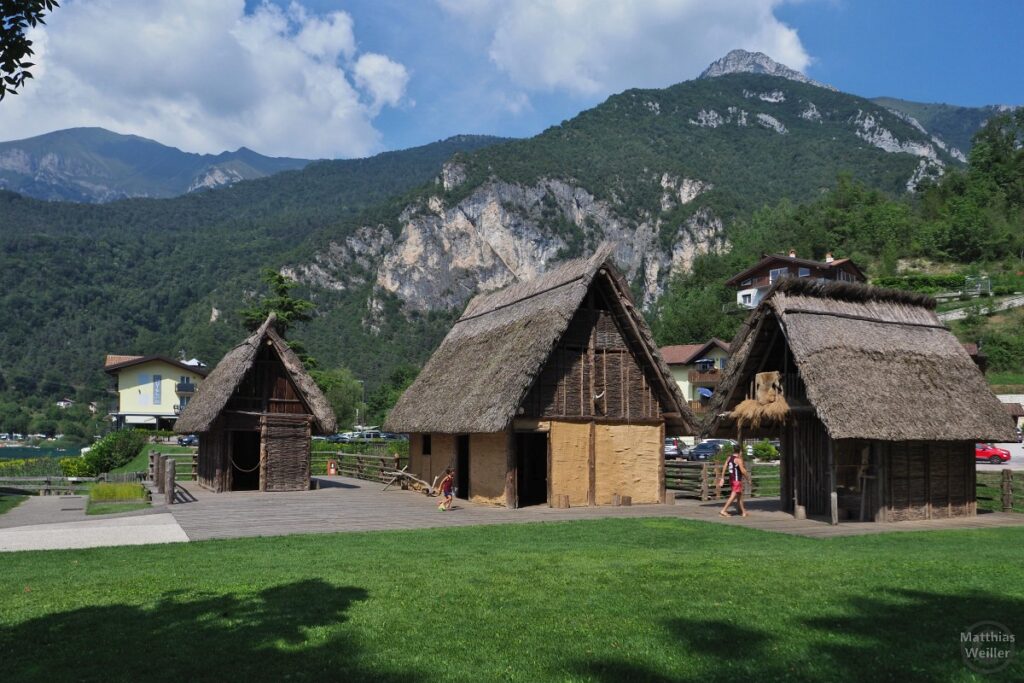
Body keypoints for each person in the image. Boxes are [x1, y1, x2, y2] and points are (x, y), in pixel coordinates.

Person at [717, 445, 748, 517]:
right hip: (736, 480)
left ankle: (743, 512)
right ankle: (723, 510)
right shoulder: (738, 460)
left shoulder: (729, 458)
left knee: (739, 495)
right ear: (740, 451)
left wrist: (722, 477)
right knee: (733, 496)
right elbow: (743, 471)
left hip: (731, 479)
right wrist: (748, 479)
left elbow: (724, 467)